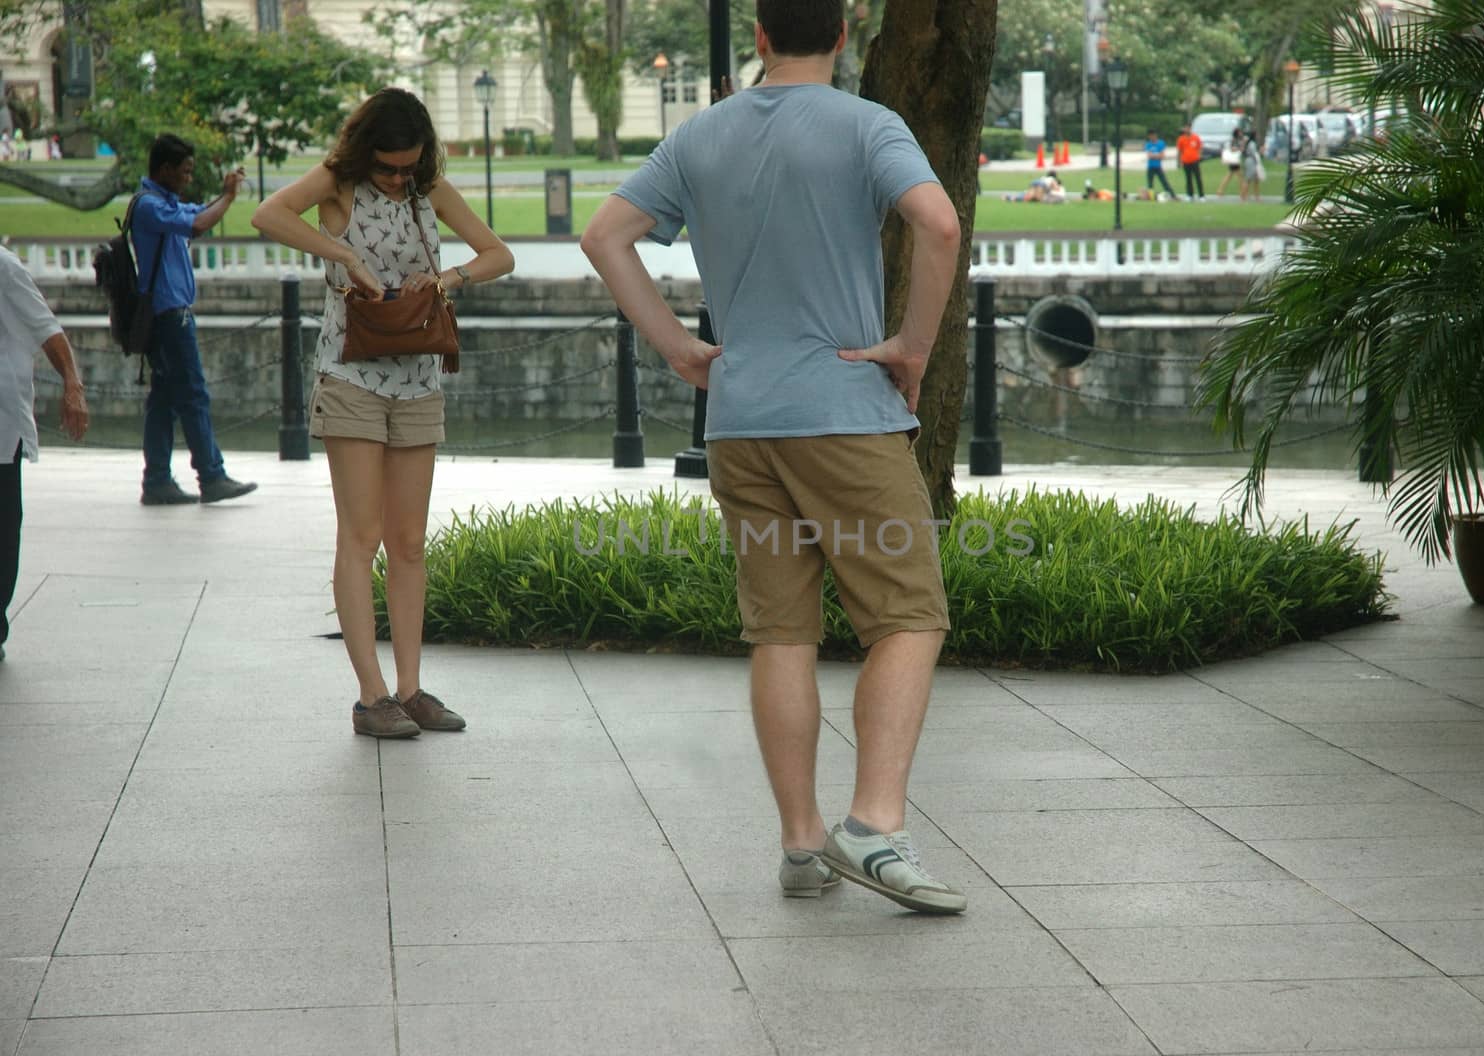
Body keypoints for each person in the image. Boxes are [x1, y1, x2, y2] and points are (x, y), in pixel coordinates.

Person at [581, 0, 966, 914]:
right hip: (843, 413)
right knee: (909, 613)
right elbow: (939, 225)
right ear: (843, 35)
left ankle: (801, 845)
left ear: (759, 36)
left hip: (740, 419)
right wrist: (912, 347)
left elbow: (604, 238)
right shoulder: (870, 124)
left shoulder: (699, 135)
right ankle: (872, 823)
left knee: (781, 632)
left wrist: (680, 346)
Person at [251, 88, 513, 740]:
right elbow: (268, 214)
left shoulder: (430, 189)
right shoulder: (338, 183)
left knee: (411, 542)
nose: (399, 177)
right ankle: (372, 698)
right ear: (366, 151)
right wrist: (341, 254)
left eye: (408, 167)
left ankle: (411, 688)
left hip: (418, 377)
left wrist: (449, 280)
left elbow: (499, 255)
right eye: (389, 167)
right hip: (351, 375)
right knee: (360, 536)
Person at [130, 134, 257, 506]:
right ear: (165, 169)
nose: (188, 177)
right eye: (184, 171)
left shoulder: (163, 202)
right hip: (169, 317)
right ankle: (211, 476)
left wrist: (221, 198)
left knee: (165, 400)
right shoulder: (150, 206)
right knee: (193, 394)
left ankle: (156, 480)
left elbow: (197, 215)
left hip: (172, 315)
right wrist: (230, 198)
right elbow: (198, 224)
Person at [0, 245, 90, 662]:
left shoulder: (4, 266)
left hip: (1, 425)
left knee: (3, 528)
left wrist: (72, 384)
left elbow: (46, 328)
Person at [1176, 123, 1205, 201]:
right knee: (1188, 179)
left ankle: (1201, 195)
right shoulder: (1181, 139)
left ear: (1190, 128)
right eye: (1185, 128)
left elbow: (1200, 147)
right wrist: (1179, 162)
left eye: (1188, 128)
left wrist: (1199, 156)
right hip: (1186, 161)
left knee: (1198, 178)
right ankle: (1190, 195)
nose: (1187, 130)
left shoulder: (1195, 137)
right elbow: (1179, 151)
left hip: (1195, 161)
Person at [1144, 129, 1176, 198]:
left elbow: (1162, 156)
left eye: (1153, 135)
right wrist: (1157, 155)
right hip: (1150, 166)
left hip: (1158, 166)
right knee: (1150, 184)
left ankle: (1172, 195)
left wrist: (1154, 155)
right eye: (1150, 136)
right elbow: (1149, 156)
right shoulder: (1148, 144)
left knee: (1164, 182)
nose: (1152, 137)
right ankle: (1150, 197)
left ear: (1155, 135)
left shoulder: (1161, 143)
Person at [1216, 126, 1245, 198]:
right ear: (1237, 133)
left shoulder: (1238, 140)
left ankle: (1220, 190)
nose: (1241, 133)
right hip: (1234, 161)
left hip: (1235, 161)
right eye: (1240, 132)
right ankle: (1242, 193)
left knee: (1230, 176)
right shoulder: (1235, 140)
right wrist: (1239, 148)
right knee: (1239, 177)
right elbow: (1233, 149)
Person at [1241, 129, 1265, 202]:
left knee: (1255, 180)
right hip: (1251, 162)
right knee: (1248, 179)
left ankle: (1256, 196)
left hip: (1250, 161)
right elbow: (1254, 154)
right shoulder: (1252, 144)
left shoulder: (1250, 143)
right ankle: (1244, 196)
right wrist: (1260, 152)